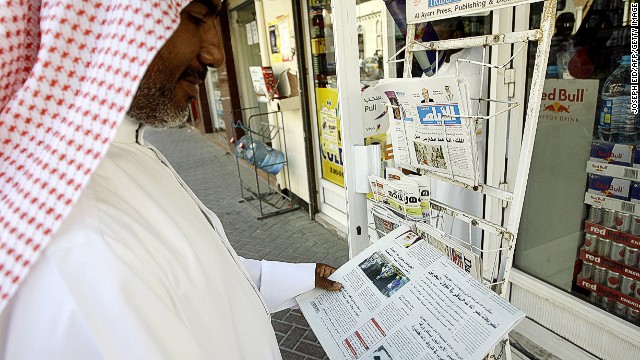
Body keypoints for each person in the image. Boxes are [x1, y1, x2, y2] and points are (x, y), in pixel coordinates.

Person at [0, 1, 341, 358]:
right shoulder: (79, 249)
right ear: (109, 20)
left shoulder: (124, 152)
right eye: (196, 18)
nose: (215, 54)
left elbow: (197, 279)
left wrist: (301, 277)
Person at [427, 18, 487, 246]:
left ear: (458, 33)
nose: (439, 43)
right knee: (441, 217)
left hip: (471, 154)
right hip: (439, 157)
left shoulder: (481, 57)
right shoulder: (435, 67)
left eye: (442, 35)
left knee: (466, 215)